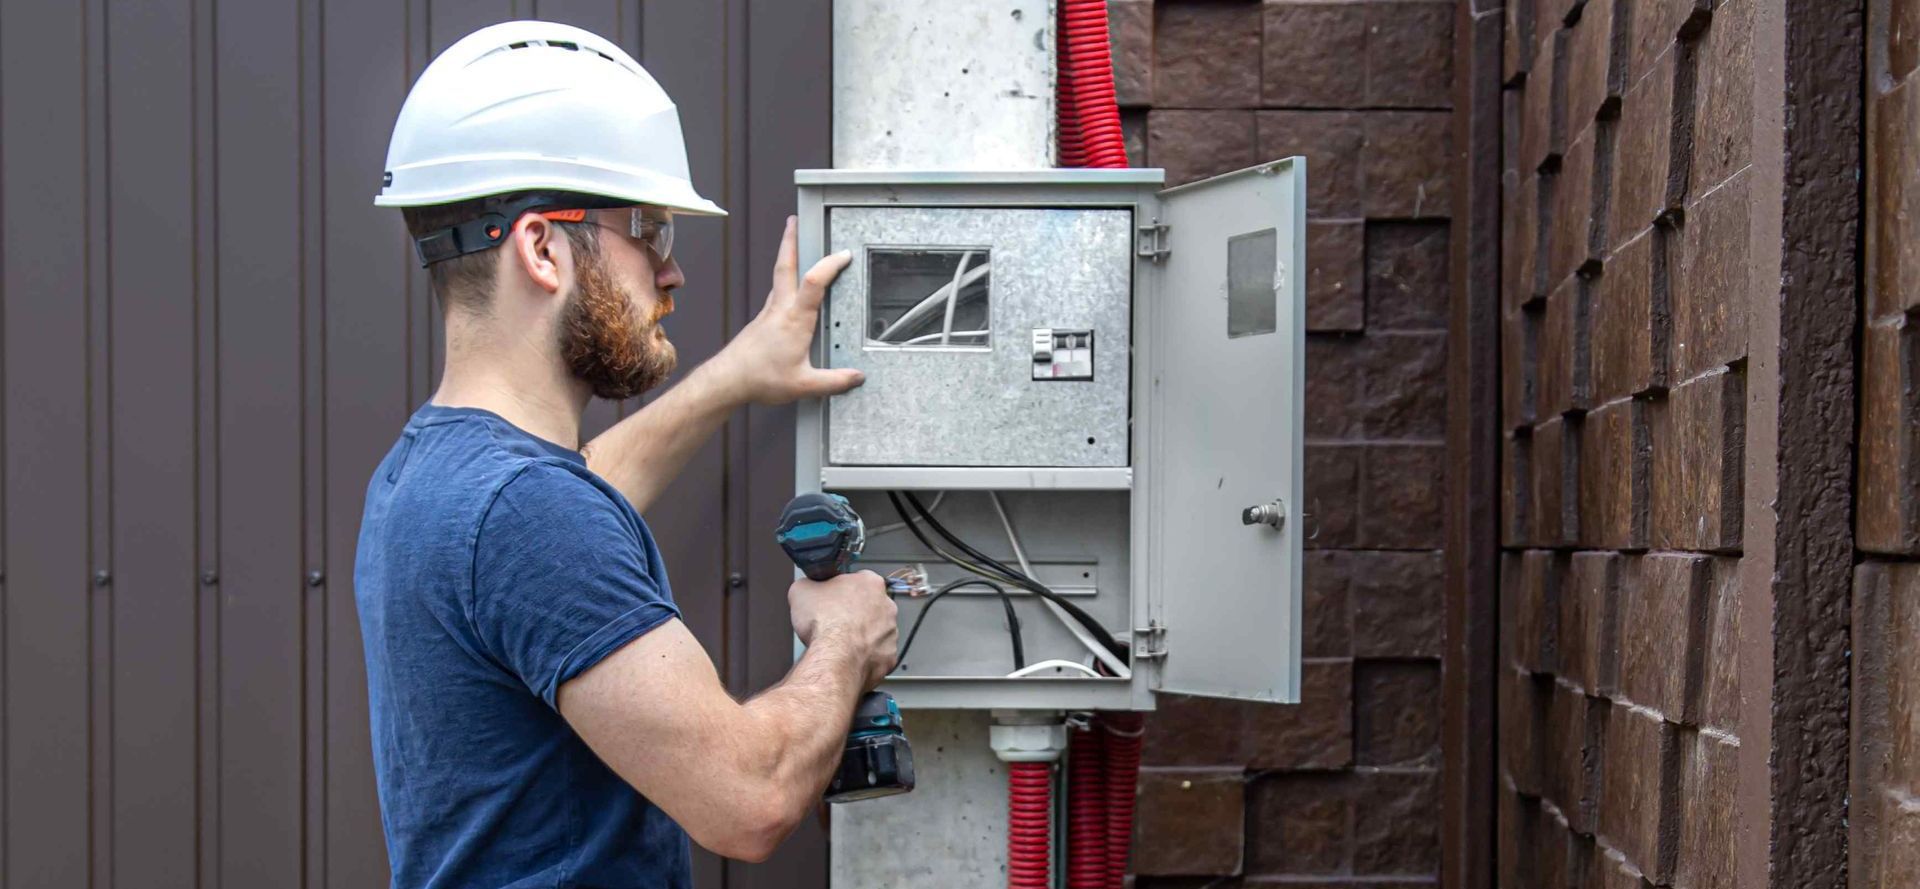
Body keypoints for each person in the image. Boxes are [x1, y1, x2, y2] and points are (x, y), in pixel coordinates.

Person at [353, 20, 898, 889]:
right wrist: (843, 639)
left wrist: (735, 375)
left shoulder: (431, 473)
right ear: (540, 248)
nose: (670, 270)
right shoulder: (530, 517)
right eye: (647, 227)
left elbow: (577, 499)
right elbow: (748, 799)